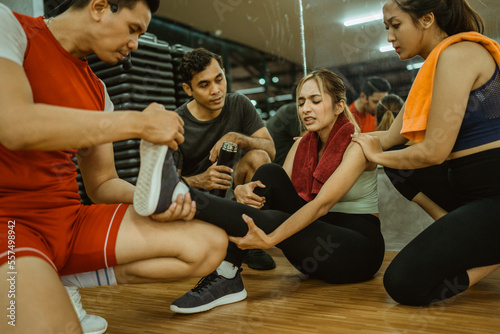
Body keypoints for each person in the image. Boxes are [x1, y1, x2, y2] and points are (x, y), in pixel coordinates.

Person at [0, 1, 229, 333]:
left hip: (68, 223)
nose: (134, 44)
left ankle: (56, 276)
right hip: (10, 224)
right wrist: (138, 124)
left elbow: (102, 183)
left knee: (208, 246)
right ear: (99, 7)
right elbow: (15, 125)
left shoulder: (97, 89)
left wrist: (151, 203)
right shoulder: (12, 28)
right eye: (133, 29)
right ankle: (37, 278)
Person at [164, 69, 385, 314]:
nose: (305, 109)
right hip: (314, 249)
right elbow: (276, 191)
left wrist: (270, 239)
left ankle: (184, 195)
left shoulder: (356, 145)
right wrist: (242, 190)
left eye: (315, 100)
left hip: (356, 252)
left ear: (338, 106)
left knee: (279, 221)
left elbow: (320, 205)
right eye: (301, 102)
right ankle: (228, 273)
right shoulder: (302, 144)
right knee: (269, 172)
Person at [351, 0, 500, 306]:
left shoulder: (459, 54)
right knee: (399, 163)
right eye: (386, 28)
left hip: (494, 193)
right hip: (466, 189)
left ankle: (492, 255)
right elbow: (392, 137)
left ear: (427, 19)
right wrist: (341, 141)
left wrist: (376, 156)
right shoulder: (432, 67)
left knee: (404, 283)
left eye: (396, 25)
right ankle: (463, 229)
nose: (390, 37)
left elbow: (433, 152)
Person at [173, 47, 277, 271]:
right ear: (187, 89)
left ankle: (252, 237)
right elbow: (166, 186)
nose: (216, 90)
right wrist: (201, 180)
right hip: (199, 205)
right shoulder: (177, 123)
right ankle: (222, 240)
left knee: (259, 156)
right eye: (204, 85)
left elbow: (271, 150)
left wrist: (238, 138)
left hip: (235, 194)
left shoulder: (239, 104)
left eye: (219, 79)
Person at [266, 101, 307, 166]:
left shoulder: (288, 109)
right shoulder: (294, 110)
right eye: (316, 101)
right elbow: (310, 144)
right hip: (281, 168)